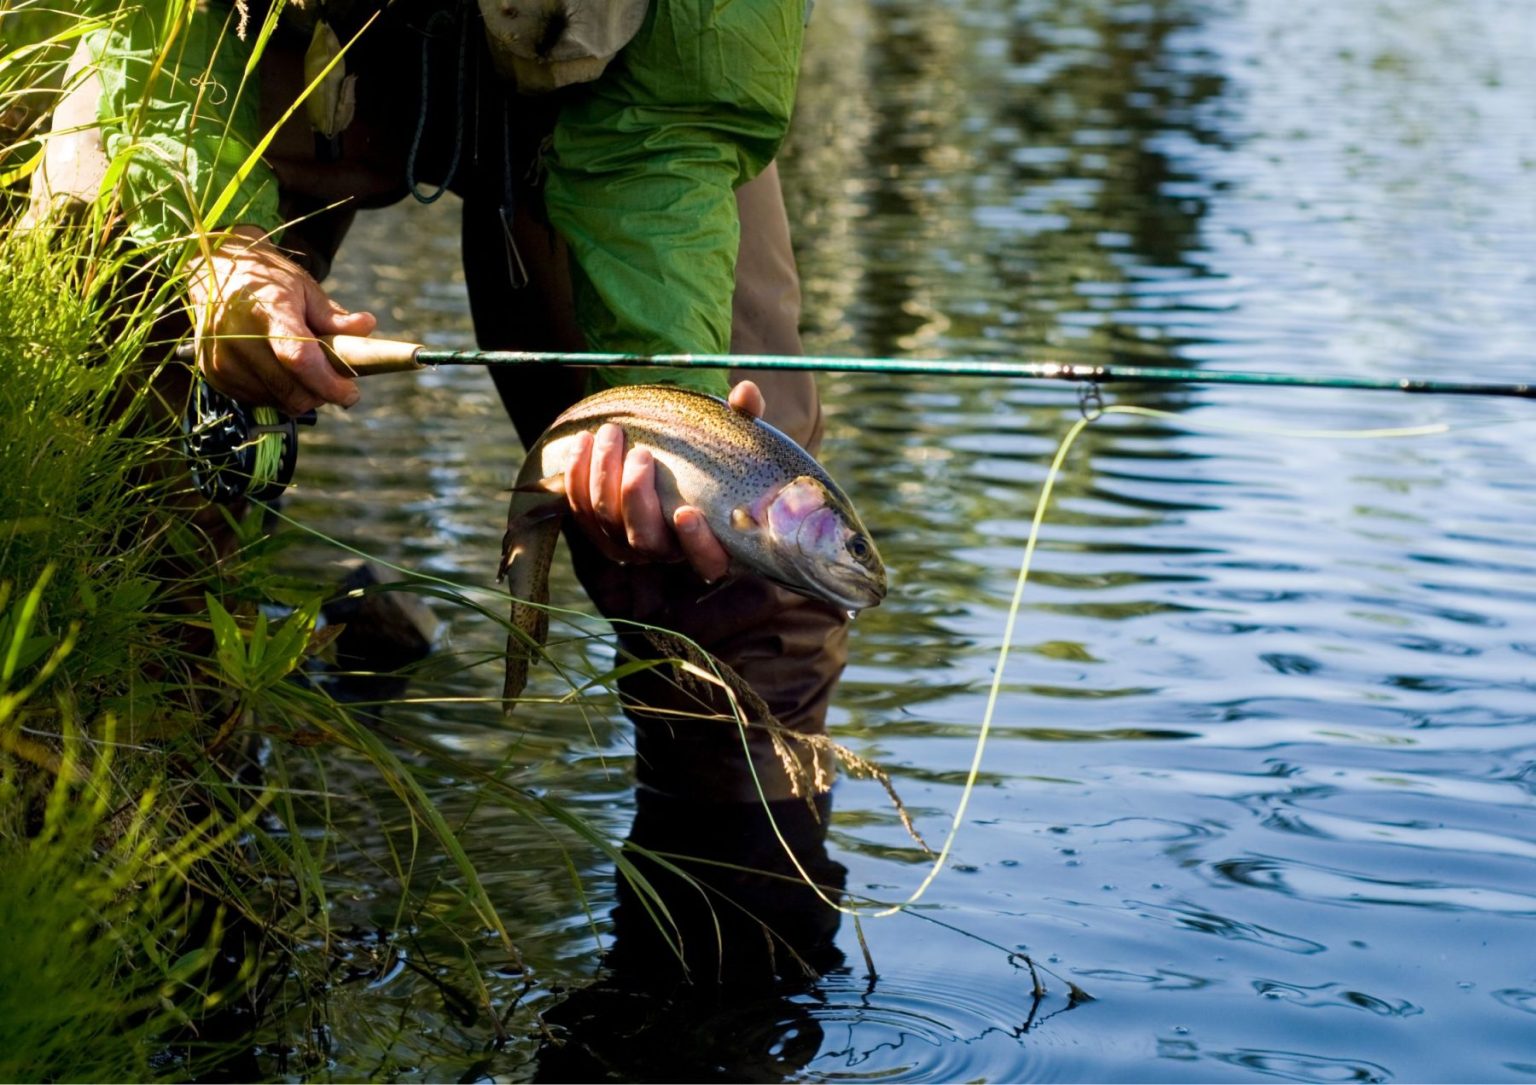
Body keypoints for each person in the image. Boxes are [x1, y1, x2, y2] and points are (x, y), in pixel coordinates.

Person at [29, 0, 848, 802]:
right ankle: (154, 822)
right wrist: (216, 244)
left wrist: (672, 406)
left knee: (750, 585)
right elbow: (138, 42)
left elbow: (677, 119)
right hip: (234, 44)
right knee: (107, 468)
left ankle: (752, 892)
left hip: (623, 85)